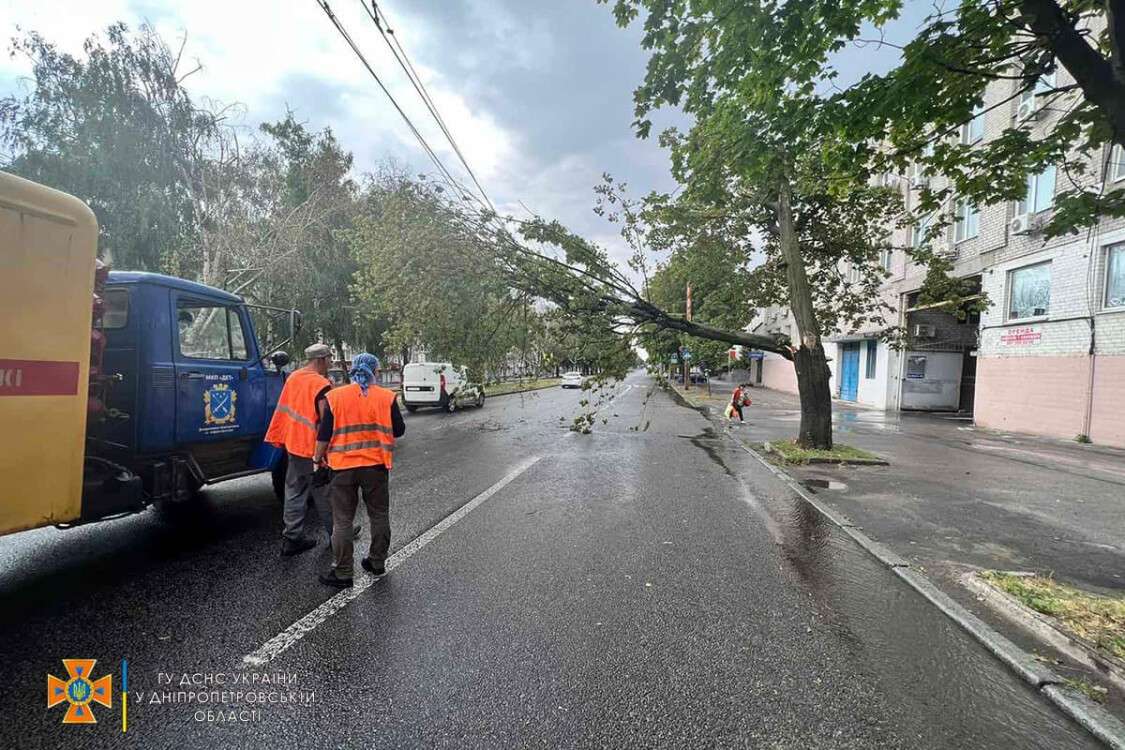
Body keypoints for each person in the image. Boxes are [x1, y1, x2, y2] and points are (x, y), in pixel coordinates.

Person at [313, 353, 406, 588]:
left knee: (342, 520)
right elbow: (399, 429)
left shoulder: (335, 397)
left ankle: (343, 572)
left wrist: (316, 460)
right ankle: (376, 562)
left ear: (353, 371)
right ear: (375, 372)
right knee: (379, 514)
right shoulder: (386, 397)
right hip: (375, 466)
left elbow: (324, 435)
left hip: (342, 467)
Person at [265, 342, 337, 556]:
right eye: (329, 359)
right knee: (325, 492)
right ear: (320, 360)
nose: (331, 363)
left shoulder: (294, 377)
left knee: (294, 490)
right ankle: (338, 535)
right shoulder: (321, 384)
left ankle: (292, 538)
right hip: (311, 447)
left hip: (292, 443)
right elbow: (326, 422)